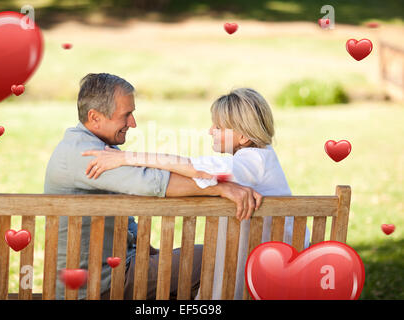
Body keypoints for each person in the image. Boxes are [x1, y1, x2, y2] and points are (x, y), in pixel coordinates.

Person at [44, 73, 263, 300]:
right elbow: (154, 182)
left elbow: (130, 212)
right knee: (216, 256)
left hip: (113, 272)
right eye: (126, 115)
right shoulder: (87, 154)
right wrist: (220, 188)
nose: (133, 123)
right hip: (99, 285)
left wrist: (147, 250)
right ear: (95, 117)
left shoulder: (94, 147)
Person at [82, 87, 310, 300]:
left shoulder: (252, 162)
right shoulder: (259, 157)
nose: (211, 131)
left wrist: (125, 158)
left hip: (269, 274)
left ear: (243, 137)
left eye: (218, 127)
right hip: (270, 267)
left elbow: (197, 168)